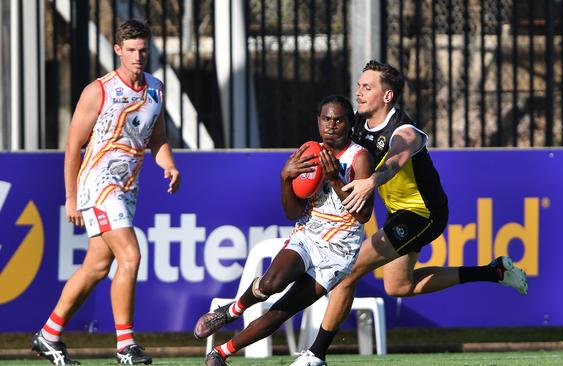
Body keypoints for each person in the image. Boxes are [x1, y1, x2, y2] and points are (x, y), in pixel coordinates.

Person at [290, 60, 528, 366]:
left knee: (348, 271)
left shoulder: (405, 130)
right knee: (398, 286)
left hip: (423, 214)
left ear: (387, 96)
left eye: (367, 87)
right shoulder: (358, 124)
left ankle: (315, 355)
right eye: (359, 86)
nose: (359, 92)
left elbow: (397, 158)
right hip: (398, 214)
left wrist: (370, 182)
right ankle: (493, 271)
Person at [31, 20, 180, 366]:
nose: (138, 57)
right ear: (118, 51)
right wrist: (71, 197)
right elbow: (72, 146)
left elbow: (156, 137)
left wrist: (169, 165)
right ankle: (125, 345)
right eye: (130, 50)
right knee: (131, 256)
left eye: (143, 50)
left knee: (97, 267)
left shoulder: (156, 89)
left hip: (128, 186)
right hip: (99, 184)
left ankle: (48, 335)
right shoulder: (98, 91)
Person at [192, 95, 374, 366]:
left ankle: (221, 353)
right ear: (318, 121)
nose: (332, 125)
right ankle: (230, 311)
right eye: (326, 119)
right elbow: (292, 212)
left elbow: (363, 215)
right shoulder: (308, 152)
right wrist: (285, 178)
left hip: (339, 251)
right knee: (270, 283)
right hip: (309, 235)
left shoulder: (359, 158)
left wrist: (335, 178)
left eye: (339, 120)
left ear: (349, 124)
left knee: (282, 311)